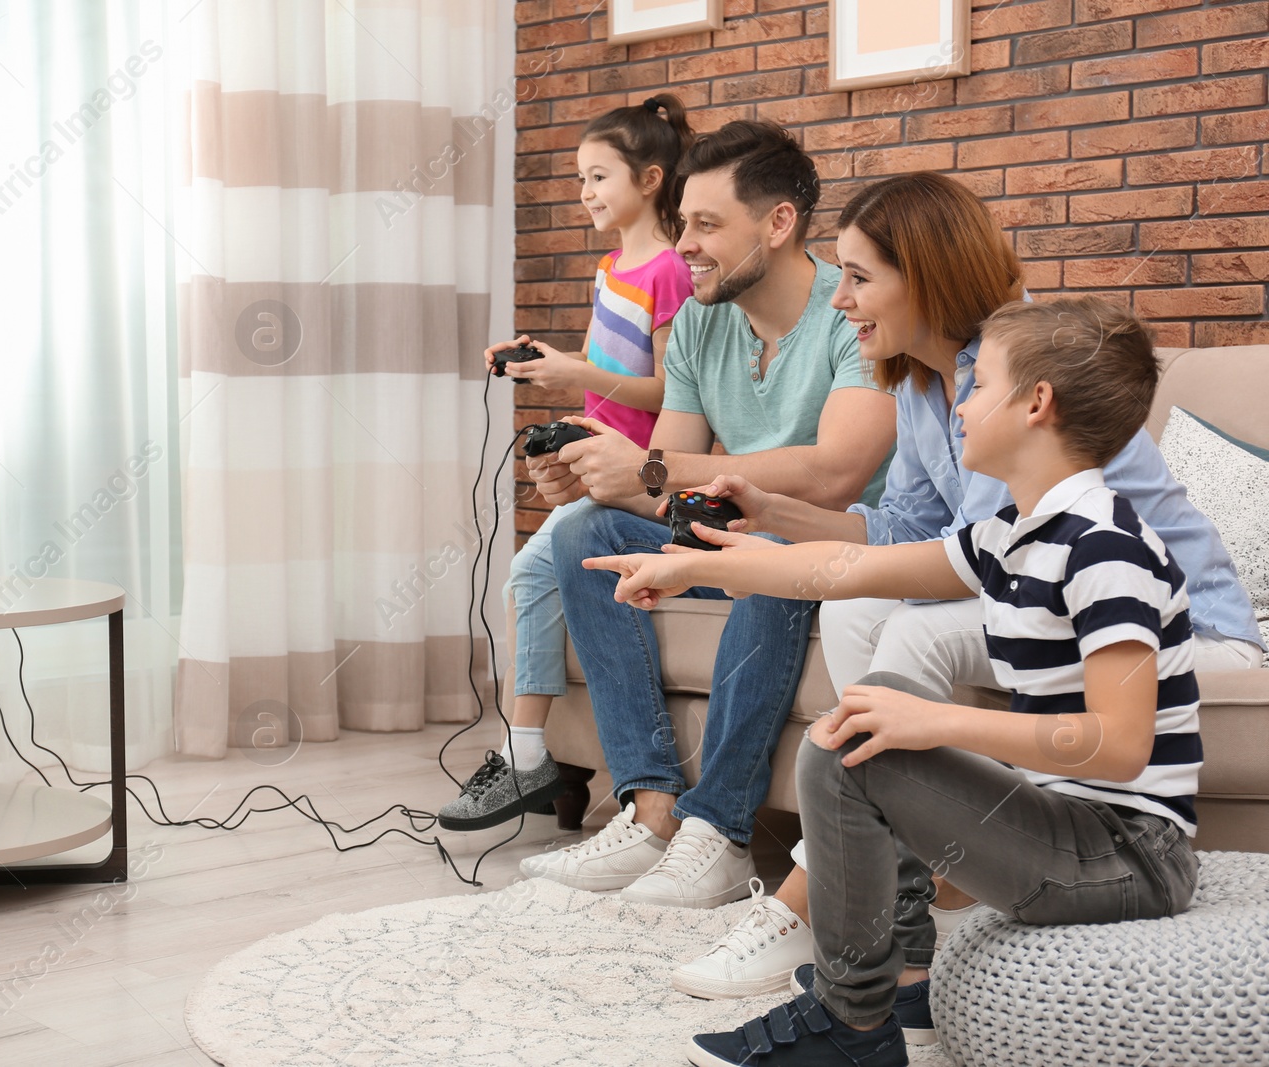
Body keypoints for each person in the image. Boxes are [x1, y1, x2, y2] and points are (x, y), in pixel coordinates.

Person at [652, 173, 1263, 1035]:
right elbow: (887, 545)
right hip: (1064, 735)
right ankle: (884, 964)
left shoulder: (1080, 510)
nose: (844, 302)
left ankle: (819, 925)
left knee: (903, 649)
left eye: (860, 278)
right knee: (859, 688)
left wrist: (931, 723)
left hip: (1163, 727)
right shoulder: (969, 451)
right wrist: (739, 541)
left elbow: (1103, 727)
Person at [588, 296, 1207, 1066]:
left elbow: (1119, 745)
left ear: (1037, 404)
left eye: (981, 387)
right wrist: (693, 567)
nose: (963, 404)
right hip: (1069, 825)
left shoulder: (1107, 549)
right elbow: (842, 568)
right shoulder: (1013, 536)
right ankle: (899, 985)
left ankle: (851, 1026)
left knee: (855, 745)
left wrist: (937, 724)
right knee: (855, 738)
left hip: (1130, 855)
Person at [519, 121, 897, 906]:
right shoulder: (699, 318)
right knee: (587, 533)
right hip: (734, 529)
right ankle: (650, 806)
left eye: (706, 225)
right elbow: (666, 481)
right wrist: (591, 476)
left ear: (779, 223)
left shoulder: (854, 313)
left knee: (757, 539)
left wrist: (654, 468)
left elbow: (835, 473)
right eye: (682, 222)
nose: (683, 243)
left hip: (827, 540)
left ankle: (720, 832)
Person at [437, 95, 696, 830]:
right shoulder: (613, 266)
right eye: (579, 180)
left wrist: (577, 376)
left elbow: (672, 389)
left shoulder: (670, 272)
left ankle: (526, 758)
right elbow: (605, 365)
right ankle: (535, 758)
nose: (584, 194)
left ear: (650, 179)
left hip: (638, 467)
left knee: (527, 572)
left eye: (598, 178)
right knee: (536, 575)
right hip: (593, 454)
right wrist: (551, 364)